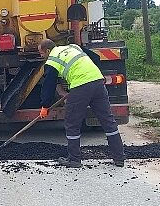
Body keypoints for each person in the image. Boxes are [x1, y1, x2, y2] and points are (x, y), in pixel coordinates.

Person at [38, 39, 125, 168]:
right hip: (98, 83)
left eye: (41, 53)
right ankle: (119, 158)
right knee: (108, 120)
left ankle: (74, 159)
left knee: (72, 123)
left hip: (80, 87)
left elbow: (49, 85)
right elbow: (95, 57)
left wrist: (45, 106)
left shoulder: (52, 60)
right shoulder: (73, 47)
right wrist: (95, 74)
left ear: (48, 50)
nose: (42, 56)